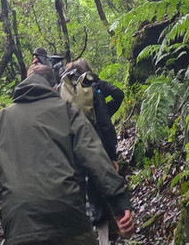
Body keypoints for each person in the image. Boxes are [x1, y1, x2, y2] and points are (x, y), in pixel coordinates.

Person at [0, 61, 136, 245]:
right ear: (55, 87)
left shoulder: (2, 117)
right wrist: (120, 203)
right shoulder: (68, 111)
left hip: (20, 221)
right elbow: (96, 157)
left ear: (24, 83)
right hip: (68, 216)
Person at [62, 59, 126, 245]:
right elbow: (118, 95)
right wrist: (112, 155)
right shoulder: (95, 86)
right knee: (98, 190)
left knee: (80, 191)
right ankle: (104, 237)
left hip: (74, 148)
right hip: (98, 146)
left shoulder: (64, 91)